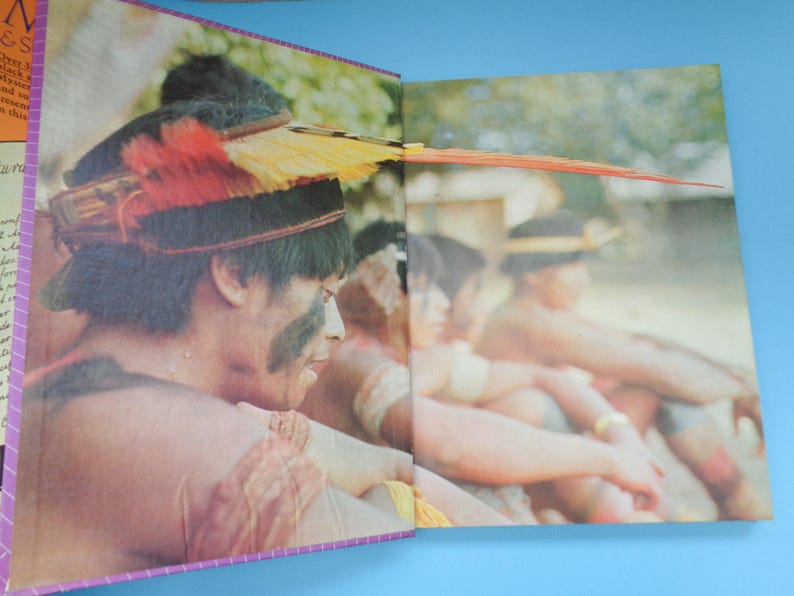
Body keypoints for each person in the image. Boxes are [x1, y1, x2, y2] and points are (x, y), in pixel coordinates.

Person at [10, 97, 456, 590]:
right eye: (323, 293)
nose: (337, 326)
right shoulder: (164, 431)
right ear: (237, 274)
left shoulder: (91, 395)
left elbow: (396, 464)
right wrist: (389, 501)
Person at [300, 221, 663, 524]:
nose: (443, 303)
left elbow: (542, 377)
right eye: (425, 289)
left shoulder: (418, 357)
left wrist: (620, 435)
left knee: (522, 402)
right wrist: (612, 458)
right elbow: (449, 446)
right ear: (381, 290)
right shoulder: (353, 360)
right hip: (352, 526)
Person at [477, 210, 771, 520]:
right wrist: (743, 388)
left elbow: (640, 341)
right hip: (534, 480)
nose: (585, 278)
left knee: (648, 378)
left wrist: (741, 377)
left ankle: (737, 507)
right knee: (657, 382)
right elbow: (666, 373)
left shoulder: (531, 314)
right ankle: (741, 506)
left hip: (557, 465)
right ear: (533, 274)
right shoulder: (528, 323)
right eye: (573, 266)